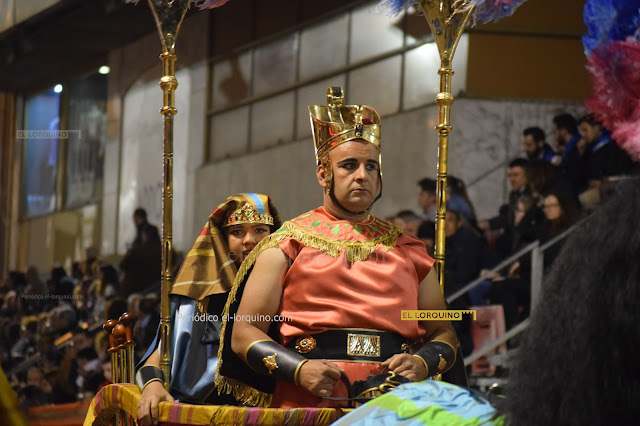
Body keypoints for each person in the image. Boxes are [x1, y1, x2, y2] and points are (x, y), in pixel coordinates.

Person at [216, 87, 459, 409]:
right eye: (349, 165)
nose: (362, 176)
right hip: (309, 400)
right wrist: (299, 369)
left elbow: (444, 331)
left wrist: (423, 362)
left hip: (395, 402)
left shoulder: (410, 250)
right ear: (323, 174)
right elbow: (244, 332)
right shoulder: (286, 244)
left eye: (371, 166)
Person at [135, 193, 281, 426]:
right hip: (198, 413)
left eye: (260, 230)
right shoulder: (198, 296)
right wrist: (152, 387)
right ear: (222, 240)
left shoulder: (290, 287)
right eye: (237, 232)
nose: (249, 240)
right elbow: (158, 357)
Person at [506, 177, 640, 425]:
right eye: (545, 207)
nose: (547, 211)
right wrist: (537, 207)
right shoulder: (557, 233)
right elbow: (522, 231)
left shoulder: (584, 236)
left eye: (551, 206)